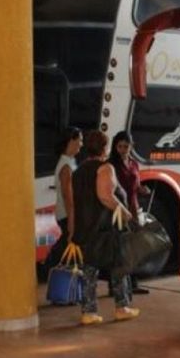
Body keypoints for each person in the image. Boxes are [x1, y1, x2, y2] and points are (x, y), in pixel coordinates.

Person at [72, 130, 139, 325]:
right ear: (105, 148)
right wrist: (125, 212)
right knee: (119, 265)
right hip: (105, 227)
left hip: (86, 227)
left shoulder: (79, 171)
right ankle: (122, 307)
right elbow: (105, 196)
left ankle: (88, 312)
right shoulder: (105, 168)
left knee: (90, 270)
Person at [109, 131, 151, 295]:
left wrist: (143, 190)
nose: (122, 150)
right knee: (119, 249)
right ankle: (116, 286)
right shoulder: (111, 164)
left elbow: (137, 185)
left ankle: (133, 283)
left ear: (131, 146)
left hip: (133, 207)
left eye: (126, 146)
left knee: (133, 247)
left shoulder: (133, 164)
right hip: (119, 209)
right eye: (119, 146)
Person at [43, 127, 83, 273]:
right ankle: (47, 269)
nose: (81, 144)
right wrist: (72, 225)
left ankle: (48, 269)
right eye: (80, 140)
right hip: (67, 215)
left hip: (65, 214)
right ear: (71, 141)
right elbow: (69, 199)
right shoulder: (66, 167)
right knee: (65, 248)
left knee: (65, 249)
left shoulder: (68, 162)